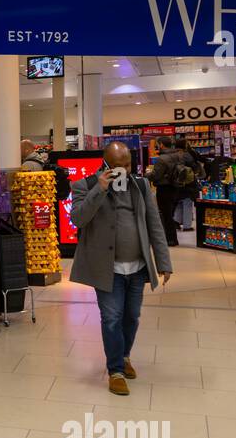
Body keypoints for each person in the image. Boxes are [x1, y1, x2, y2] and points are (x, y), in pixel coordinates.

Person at [70, 142, 173, 396]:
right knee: (112, 318)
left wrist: (163, 261)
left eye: (127, 165)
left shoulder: (140, 186)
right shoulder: (85, 185)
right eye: (118, 166)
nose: (124, 170)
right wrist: (100, 189)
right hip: (107, 269)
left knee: (131, 317)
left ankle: (124, 356)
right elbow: (78, 218)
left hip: (137, 267)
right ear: (105, 164)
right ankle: (115, 370)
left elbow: (154, 223)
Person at [147, 136, 191, 246]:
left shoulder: (162, 159)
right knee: (169, 214)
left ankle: (170, 239)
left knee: (165, 215)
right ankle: (171, 238)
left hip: (164, 188)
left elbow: (156, 175)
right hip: (176, 187)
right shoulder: (179, 156)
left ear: (161, 144)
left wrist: (146, 174)